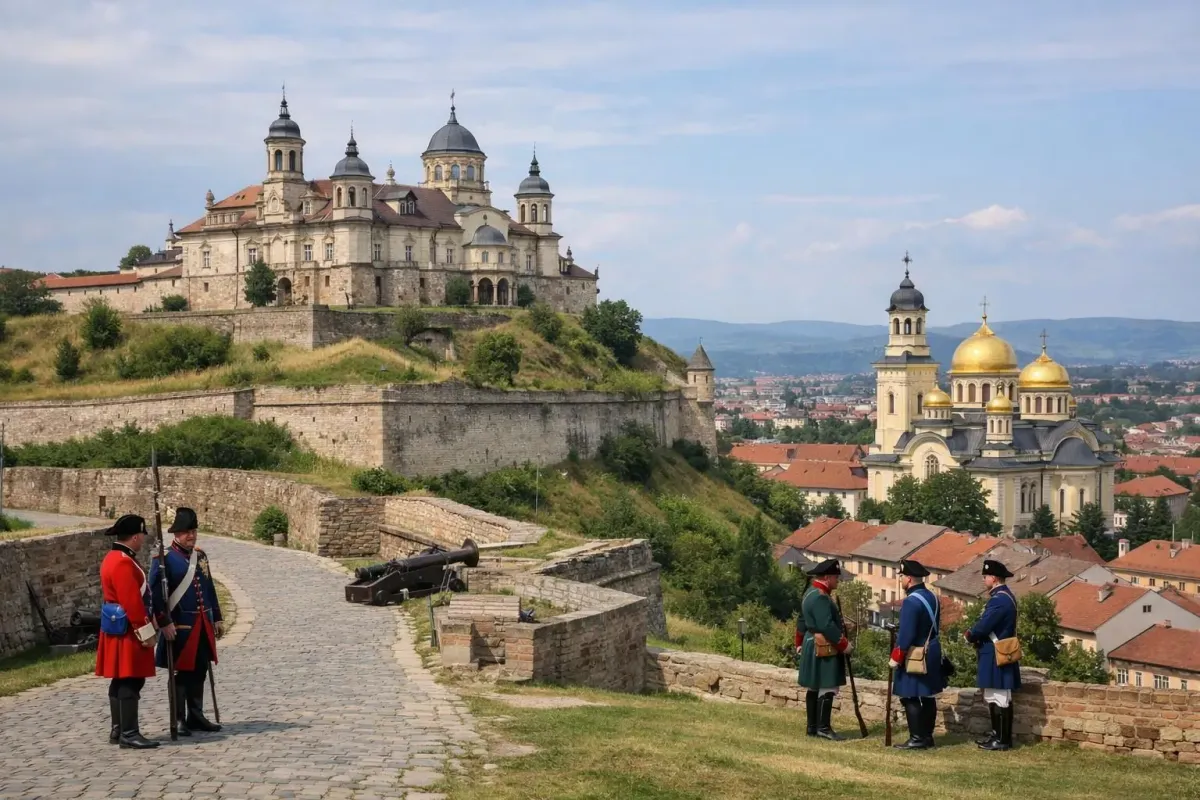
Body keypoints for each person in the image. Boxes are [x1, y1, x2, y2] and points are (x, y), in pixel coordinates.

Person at [150, 507, 223, 736]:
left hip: (203, 623)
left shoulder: (200, 556)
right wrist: (164, 622)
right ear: (176, 534)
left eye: (193, 531)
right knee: (180, 673)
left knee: (200, 669)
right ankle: (178, 718)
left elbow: (209, 588)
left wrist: (217, 618)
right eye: (186, 532)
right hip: (180, 625)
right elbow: (156, 594)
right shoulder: (164, 559)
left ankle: (196, 715)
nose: (191, 536)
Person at [95, 514, 160, 749]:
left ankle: (118, 729)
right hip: (128, 631)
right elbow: (132, 601)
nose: (142, 539)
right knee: (130, 679)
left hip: (119, 627)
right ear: (134, 536)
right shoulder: (122, 561)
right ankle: (129, 733)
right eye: (141, 535)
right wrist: (146, 632)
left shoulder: (115, 557)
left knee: (120, 679)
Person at [888, 559, 946, 750]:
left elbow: (906, 635)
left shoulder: (911, 602)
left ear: (909, 579)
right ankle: (927, 736)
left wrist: (896, 657)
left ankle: (916, 738)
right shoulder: (932, 597)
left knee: (910, 695)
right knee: (927, 696)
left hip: (916, 654)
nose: (901, 580)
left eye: (902, 577)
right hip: (932, 650)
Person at [965, 558, 1020, 751]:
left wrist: (970, 635)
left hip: (996, 652)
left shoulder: (999, 600)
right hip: (997, 651)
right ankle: (997, 735)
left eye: (986, 576)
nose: (984, 579)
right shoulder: (1005, 597)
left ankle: (1002, 740)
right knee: (994, 696)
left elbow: (985, 625)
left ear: (994, 578)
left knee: (1000, 698)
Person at [795, 558, 852, 741]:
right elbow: (826, 625)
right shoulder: (820, 596)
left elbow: (801, 622)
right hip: (824, 645)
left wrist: (799, 642)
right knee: (827, 686)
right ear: (827, 577)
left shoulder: (810, 593)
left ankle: (812, 727)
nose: (838, 581)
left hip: (811, 642)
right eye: (836, 577)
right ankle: (823, 728)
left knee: (814, 687)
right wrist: (844, 645)